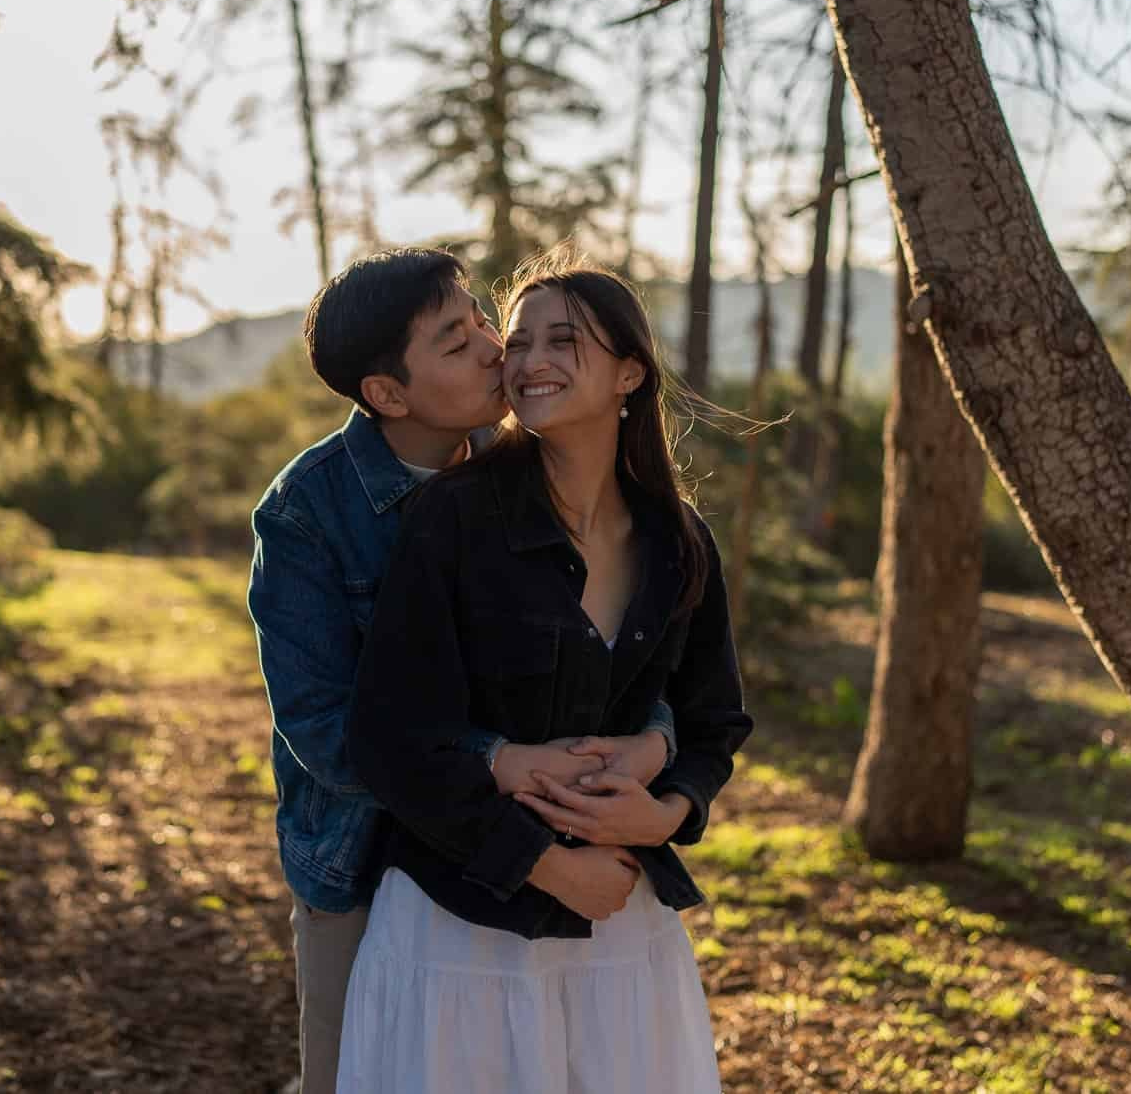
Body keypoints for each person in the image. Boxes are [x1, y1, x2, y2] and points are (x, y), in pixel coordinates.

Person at [248, 247, 680, 1094]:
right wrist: (500, 760)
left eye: (483, 319)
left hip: (516, 844)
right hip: (364, 852)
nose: (496, 348)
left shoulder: (528, 462)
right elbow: (330, 736)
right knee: (350, 1077)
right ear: (388, 393)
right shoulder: (307, 513)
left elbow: (623, 654)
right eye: (456, 341)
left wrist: (648, 752)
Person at [338, 245, 754, 1093]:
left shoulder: (681, 543)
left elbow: (712, 723)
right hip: (461, 930)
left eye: (564, 341)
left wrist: (663, 815)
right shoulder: (452, 519)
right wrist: (545, 862)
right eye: (518, 340)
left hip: (624, 929)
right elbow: (393, 739)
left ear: (630, 372)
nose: (526, 361)